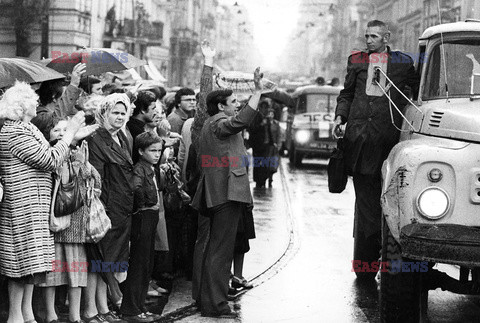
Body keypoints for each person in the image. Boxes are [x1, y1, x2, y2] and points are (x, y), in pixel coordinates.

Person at [0, 81, 94, 323]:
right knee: (21, 266)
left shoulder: (23, 128)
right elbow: (48, 160)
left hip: (32, 206)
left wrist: (71, 140)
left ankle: (24, 316)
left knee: (28, 267)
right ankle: (16, 317)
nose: (37, 104)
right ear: (22, 107)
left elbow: (48, 154)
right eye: (33, 101)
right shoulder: (15, 131)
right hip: (23, 206)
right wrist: (70, 132)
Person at [332, 20, 419, 279]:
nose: (368, 40)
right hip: (360, 143)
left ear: (386, 37)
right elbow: (346, 94)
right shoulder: (357, 61)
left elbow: (417, 91)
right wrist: (340, 118)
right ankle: (369, 263)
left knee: (391, 202)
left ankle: (386, 254)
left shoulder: (402, 63)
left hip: (389, 143)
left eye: (373, 36)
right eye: (366, 36)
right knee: (367, 207)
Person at [191, 65, 264, 318]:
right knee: (220, 253)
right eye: (233, 102)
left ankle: (208, 301)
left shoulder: (213, 122)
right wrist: (257, 91)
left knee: (216, 250)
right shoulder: (219, 123)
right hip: (225, 194)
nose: (237, 104)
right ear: (221, 106)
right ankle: (216, 305)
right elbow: (241, 120)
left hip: (223, 193)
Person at [40, 119, 101, 323]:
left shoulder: (79, 151)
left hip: (76, 225)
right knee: (53, 274)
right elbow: (63, 182)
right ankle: (51, 315)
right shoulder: (49, 154)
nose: (60, 133)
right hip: (57, 224)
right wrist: (77, 163)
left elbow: (94, 180)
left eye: (65, 130)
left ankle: (75, 315)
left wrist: (82, 163)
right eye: (55, 129)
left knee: (76, 273)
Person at [86, 93, 133, 321]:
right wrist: (102, 208)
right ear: (103, 113)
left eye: (123, 113)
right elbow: (96, 178)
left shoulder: (122, 137)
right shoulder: (96, 138)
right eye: (115, 112)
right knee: (102, 258)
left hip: (123, 207)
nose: (120, 117)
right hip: (107, 208)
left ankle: (105, 307)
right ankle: (103, 305)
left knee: (112, 259)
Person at [120, 132, 165, 322]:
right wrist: (144, 204)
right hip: (144, 216)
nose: (157, 154)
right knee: (139, 264)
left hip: (151, 215)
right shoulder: (140, 169)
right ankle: (131, 310)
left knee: (146, 264)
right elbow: (136, 188)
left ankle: (138, 307)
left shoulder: (151, 168)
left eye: (159, 150)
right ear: (140, 151)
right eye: (152, 150)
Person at [127, 90, 157, 163]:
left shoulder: (134, 126)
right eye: (153, 109)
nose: (155, 112)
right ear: (143, 110)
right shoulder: (136, 131)